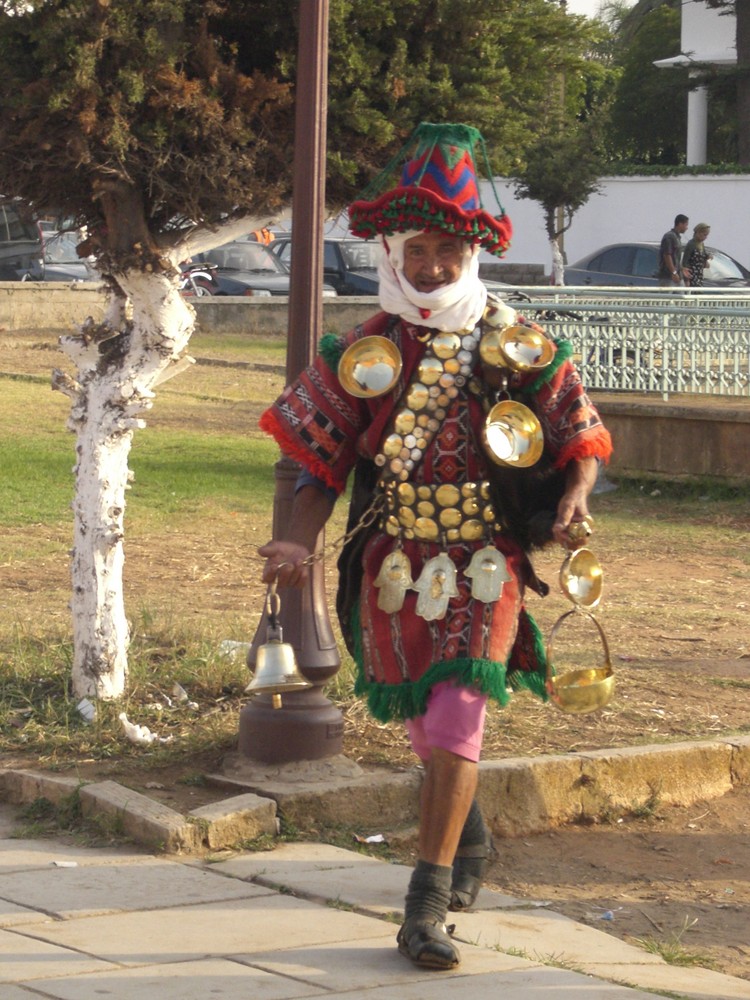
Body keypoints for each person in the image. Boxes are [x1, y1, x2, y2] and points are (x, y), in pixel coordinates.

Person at [257, 123, 613, 971]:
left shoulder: (514, 340)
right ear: (394, 250)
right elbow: (318, 462)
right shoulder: (361, 350)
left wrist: (573, 493)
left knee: (458, 718)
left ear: (470, 251)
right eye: (418, 249)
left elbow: (578, 430)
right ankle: (471, 837)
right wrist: (294, 546)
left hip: (486, 564)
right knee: (426, 726)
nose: (432, 266)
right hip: (395, 565)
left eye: (448, 249)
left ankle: (425, 906)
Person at [658, 213, 689, 285]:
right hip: (668, 276)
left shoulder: (677, 237)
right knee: (667, 296)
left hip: (678, 275)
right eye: (686, 225)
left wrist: (681, 268)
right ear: (680, 224)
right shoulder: (669, 237)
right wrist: (673, 272)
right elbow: (667, 255)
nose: (687, 228)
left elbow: (676, 258)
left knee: (681, 295)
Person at [682, 222, 713, 287]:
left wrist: (708, 256)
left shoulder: (701, 244)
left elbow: (703, 254)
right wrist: (686, 278)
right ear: (698, 233)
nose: (705, 237)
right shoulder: (691, 244)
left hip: (699, 273)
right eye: (704, 235)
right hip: (692, 274)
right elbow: (685, 261)